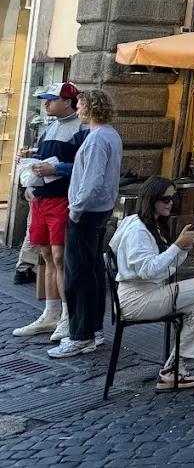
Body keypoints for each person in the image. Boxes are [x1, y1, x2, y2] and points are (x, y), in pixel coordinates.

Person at [108, 177, 194, 389]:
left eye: (174, 198)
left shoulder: (150, 225)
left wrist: (183, 248)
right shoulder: (138, 230)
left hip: (151, 293)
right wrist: (176, 246)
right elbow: (148, 271)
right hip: (137, 299)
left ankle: (173, 368)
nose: (171, 203)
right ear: (151, 199)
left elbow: (167, 267)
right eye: (166, 199)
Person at [49, 89, 123, 359]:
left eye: (80, 105)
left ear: (91, 108)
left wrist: (76, 209)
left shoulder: (96, 139)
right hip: (100, 210)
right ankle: (93, 329)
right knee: (92, 271)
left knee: (78, 274)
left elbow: (91, 180)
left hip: (87, 212)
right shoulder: (110, 135)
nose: (78, 110)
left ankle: (81, 334)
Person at [11, 82, 85, 342]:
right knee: (45, 253)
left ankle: (67, 316)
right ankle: (52, 312)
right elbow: (49, 156)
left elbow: (83, 164)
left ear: (67, 101)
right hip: (42, 198)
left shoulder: (81, 128)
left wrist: (56, 170)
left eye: (51, 99)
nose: (46, 103)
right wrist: (31, 156)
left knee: (59, 255)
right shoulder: (51, 125)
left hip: (61, 198)